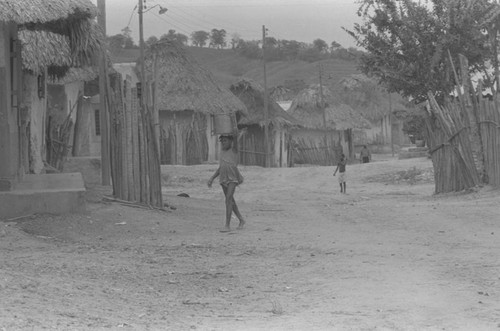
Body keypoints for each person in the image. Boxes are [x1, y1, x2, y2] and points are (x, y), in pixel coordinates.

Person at [207, 132, 245, 232]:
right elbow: (220, 167)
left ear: (231, 141)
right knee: (231, 201)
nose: (223, 143)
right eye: (222, 141)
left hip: (233, 178)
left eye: (225, 141)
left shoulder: (234, 150)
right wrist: (212, 178)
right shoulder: (222, 152)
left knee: (228, 199)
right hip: (223, 178)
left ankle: (227, 225)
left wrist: (233, 128)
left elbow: (236, 138)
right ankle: (241, 219)